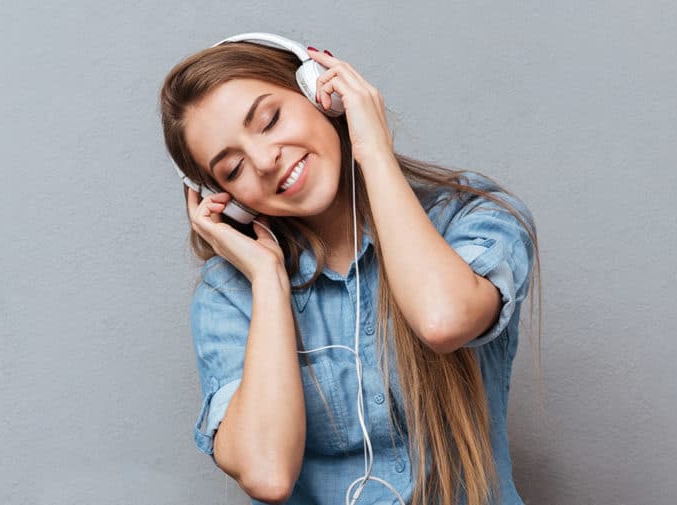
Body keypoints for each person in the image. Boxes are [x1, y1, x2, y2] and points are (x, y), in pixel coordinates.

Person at [159, 33, 541, 505]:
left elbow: (443, 320)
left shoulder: (468, 214)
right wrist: (269, 280)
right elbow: (267, 474)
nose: (263, 161)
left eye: (270, 120)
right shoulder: (229, 294)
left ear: (321, 88)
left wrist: (373, 147)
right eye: (233, 169)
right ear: (228, 201)